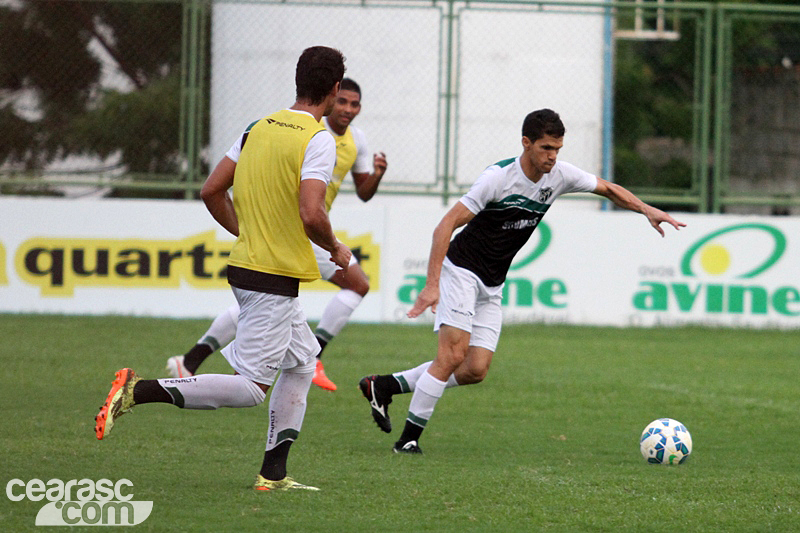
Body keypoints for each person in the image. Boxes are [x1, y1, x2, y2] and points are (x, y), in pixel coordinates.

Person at [95, 46, 350, 491]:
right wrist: (336, 248)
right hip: (271, 277)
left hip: (251, 268)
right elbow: (311, 213)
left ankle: (273, 475)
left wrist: (247, 231)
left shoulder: (258, 127)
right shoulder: (319, 139)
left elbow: (212, 190)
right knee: (251, 389)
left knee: (303, 364)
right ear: (334, 90)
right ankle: (137, 389)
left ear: (297, 81)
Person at [359, 108, 686, 454]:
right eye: (546, 148)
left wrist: (646, 209)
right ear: (526, 143)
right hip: (462, 270)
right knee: (452, 355)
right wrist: (432, 284)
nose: (552, 156)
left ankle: (385, 386)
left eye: (558, 149)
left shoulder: (558, 174)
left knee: (475, 369)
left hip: (492, 282)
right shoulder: (497, 179)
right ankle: (408, 441)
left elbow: (607, 188)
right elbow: (445, 226)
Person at [166, 78, 387, 392]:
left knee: (262, 303)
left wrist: (377, 174)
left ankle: (191, 360)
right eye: (343, 101)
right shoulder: (311, 135)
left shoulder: (357, 141)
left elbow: (364, 191)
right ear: (331, 97)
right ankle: (315, 357)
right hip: (302, 228)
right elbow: (217, 189)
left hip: (308, 227)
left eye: (355, 104)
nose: (348, 109)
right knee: (354, 284)